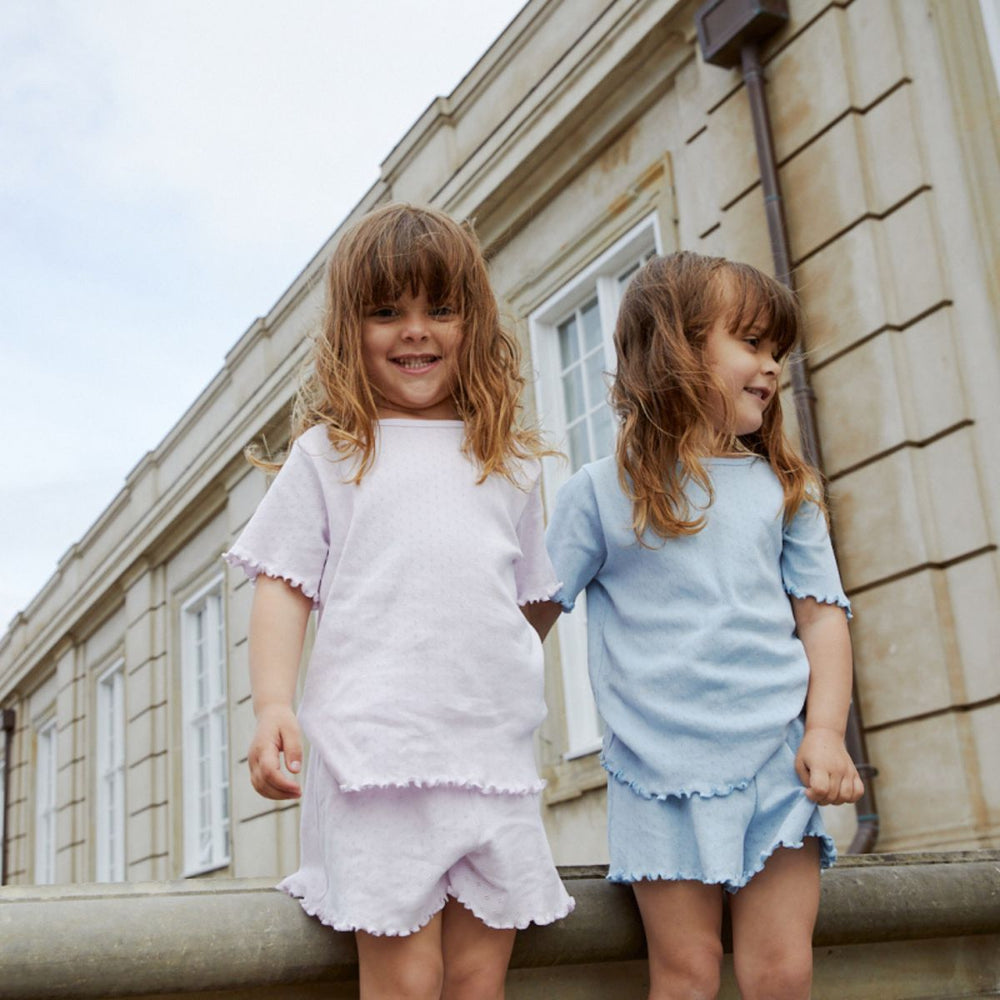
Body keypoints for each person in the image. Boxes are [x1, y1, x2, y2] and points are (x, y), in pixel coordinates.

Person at [224, 203, 573, 1000]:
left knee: (480, 982)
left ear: (473, 323)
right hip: (373, 757)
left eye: (438, 310)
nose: (415, 331)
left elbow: (532, 602)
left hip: (491, 760)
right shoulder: (330, 454)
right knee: (407, 984)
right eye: (388, 312)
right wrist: (273, 704)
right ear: (353, 329)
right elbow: (282, 584)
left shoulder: (508, 464)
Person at [537, 251, 863, 999]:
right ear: (675, 348)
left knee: (781, 975)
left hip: (779, 770)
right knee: (683, 977)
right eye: (750, 342)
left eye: (777, 350)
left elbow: (823, 620)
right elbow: (526, 621)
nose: (772, 365)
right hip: (657, 777)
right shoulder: (597, 494)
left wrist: (824, 731)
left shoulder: (788, 490)